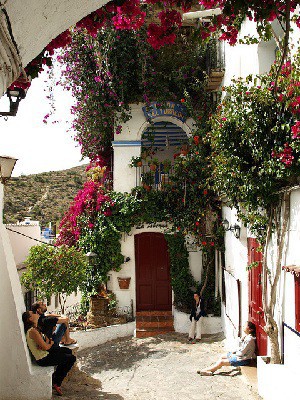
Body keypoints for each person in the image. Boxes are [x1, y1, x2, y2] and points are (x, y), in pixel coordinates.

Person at [22, 310, 76, 396]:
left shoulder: (36, 328)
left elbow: (46, 341)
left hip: (45, 353)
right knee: (71, 358)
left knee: (68, 351)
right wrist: (49, 343)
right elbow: (46, 346)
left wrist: (48, 342)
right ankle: (56, 382)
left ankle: (55, 377)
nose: (36, 314)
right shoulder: (33, 331)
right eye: (33, 313)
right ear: (30, 319)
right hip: (43, 359)